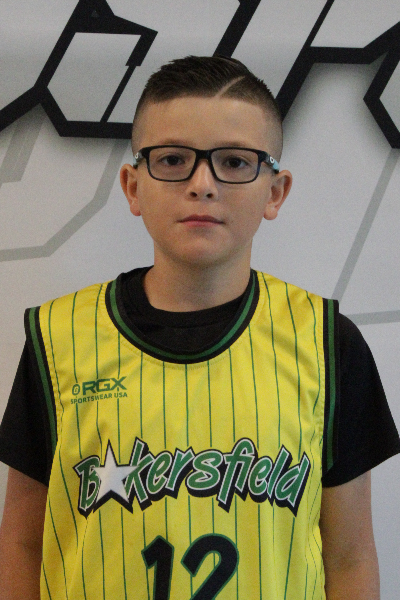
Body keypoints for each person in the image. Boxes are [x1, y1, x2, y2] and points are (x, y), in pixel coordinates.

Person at [0, 55, 399, 600]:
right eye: (173, 159)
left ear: (275, 191)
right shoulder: (59, 338)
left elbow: (349, 556)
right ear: (133, 186)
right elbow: (22, 543)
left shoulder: (328, 343)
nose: (202, 183)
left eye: (234, 161)